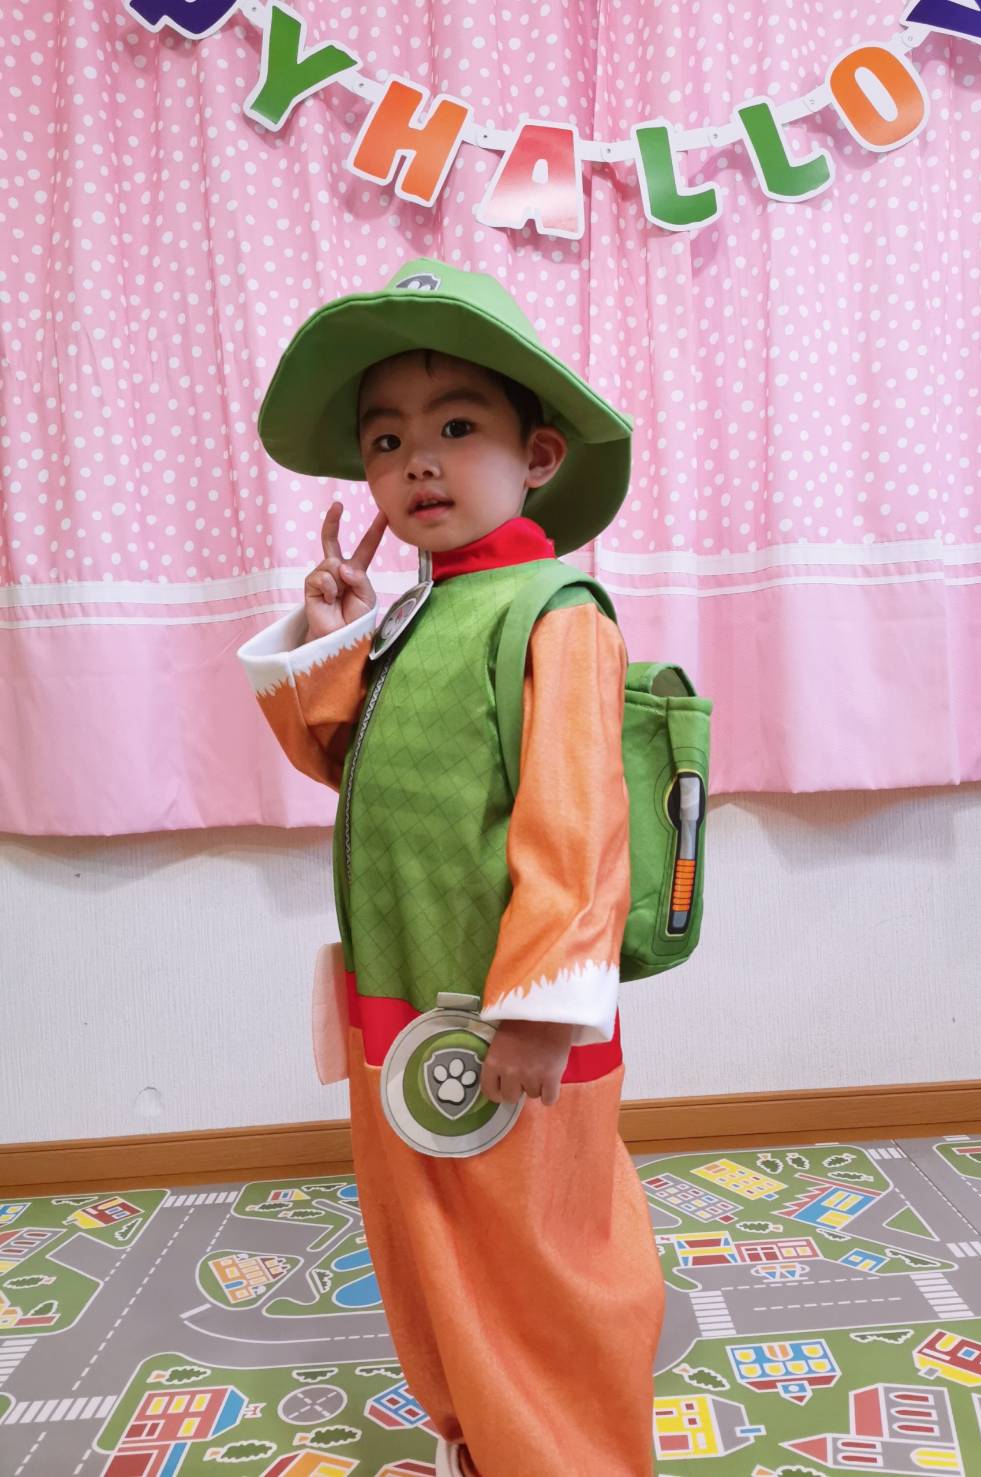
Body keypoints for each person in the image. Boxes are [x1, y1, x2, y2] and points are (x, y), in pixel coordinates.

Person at [237, 258, 664, 1477]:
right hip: (406, 1000)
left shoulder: (555, 607)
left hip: (505, 1013)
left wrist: (541, 1010)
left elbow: (577, 818)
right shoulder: (417, 614)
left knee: (545, 1251)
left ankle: (575, 1457)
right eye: (386, 440)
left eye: (457, 427)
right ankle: (479, 1436)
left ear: (538, 455)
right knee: (427, 1238)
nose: (417, 461)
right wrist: (337, 636)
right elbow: (349, 765)